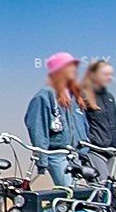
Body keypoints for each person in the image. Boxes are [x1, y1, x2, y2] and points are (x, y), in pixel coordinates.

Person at [25, 51, 90, 188]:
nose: (74, 69)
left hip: (73, 154)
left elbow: (82, 126)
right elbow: (38, 129)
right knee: (70, 193)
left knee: (83, 194)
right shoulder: (45, 95)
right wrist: (42, 160)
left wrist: (84, 152)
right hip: (56, 155)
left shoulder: (74, 96)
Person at [83, 60, 116, 151]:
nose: (109, 77)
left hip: (112, 149)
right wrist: (93, 140)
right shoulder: (84, 96)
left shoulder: (109, 97)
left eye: (110, 75)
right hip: (94, 150)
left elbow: (114, 122)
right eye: (105, 74)